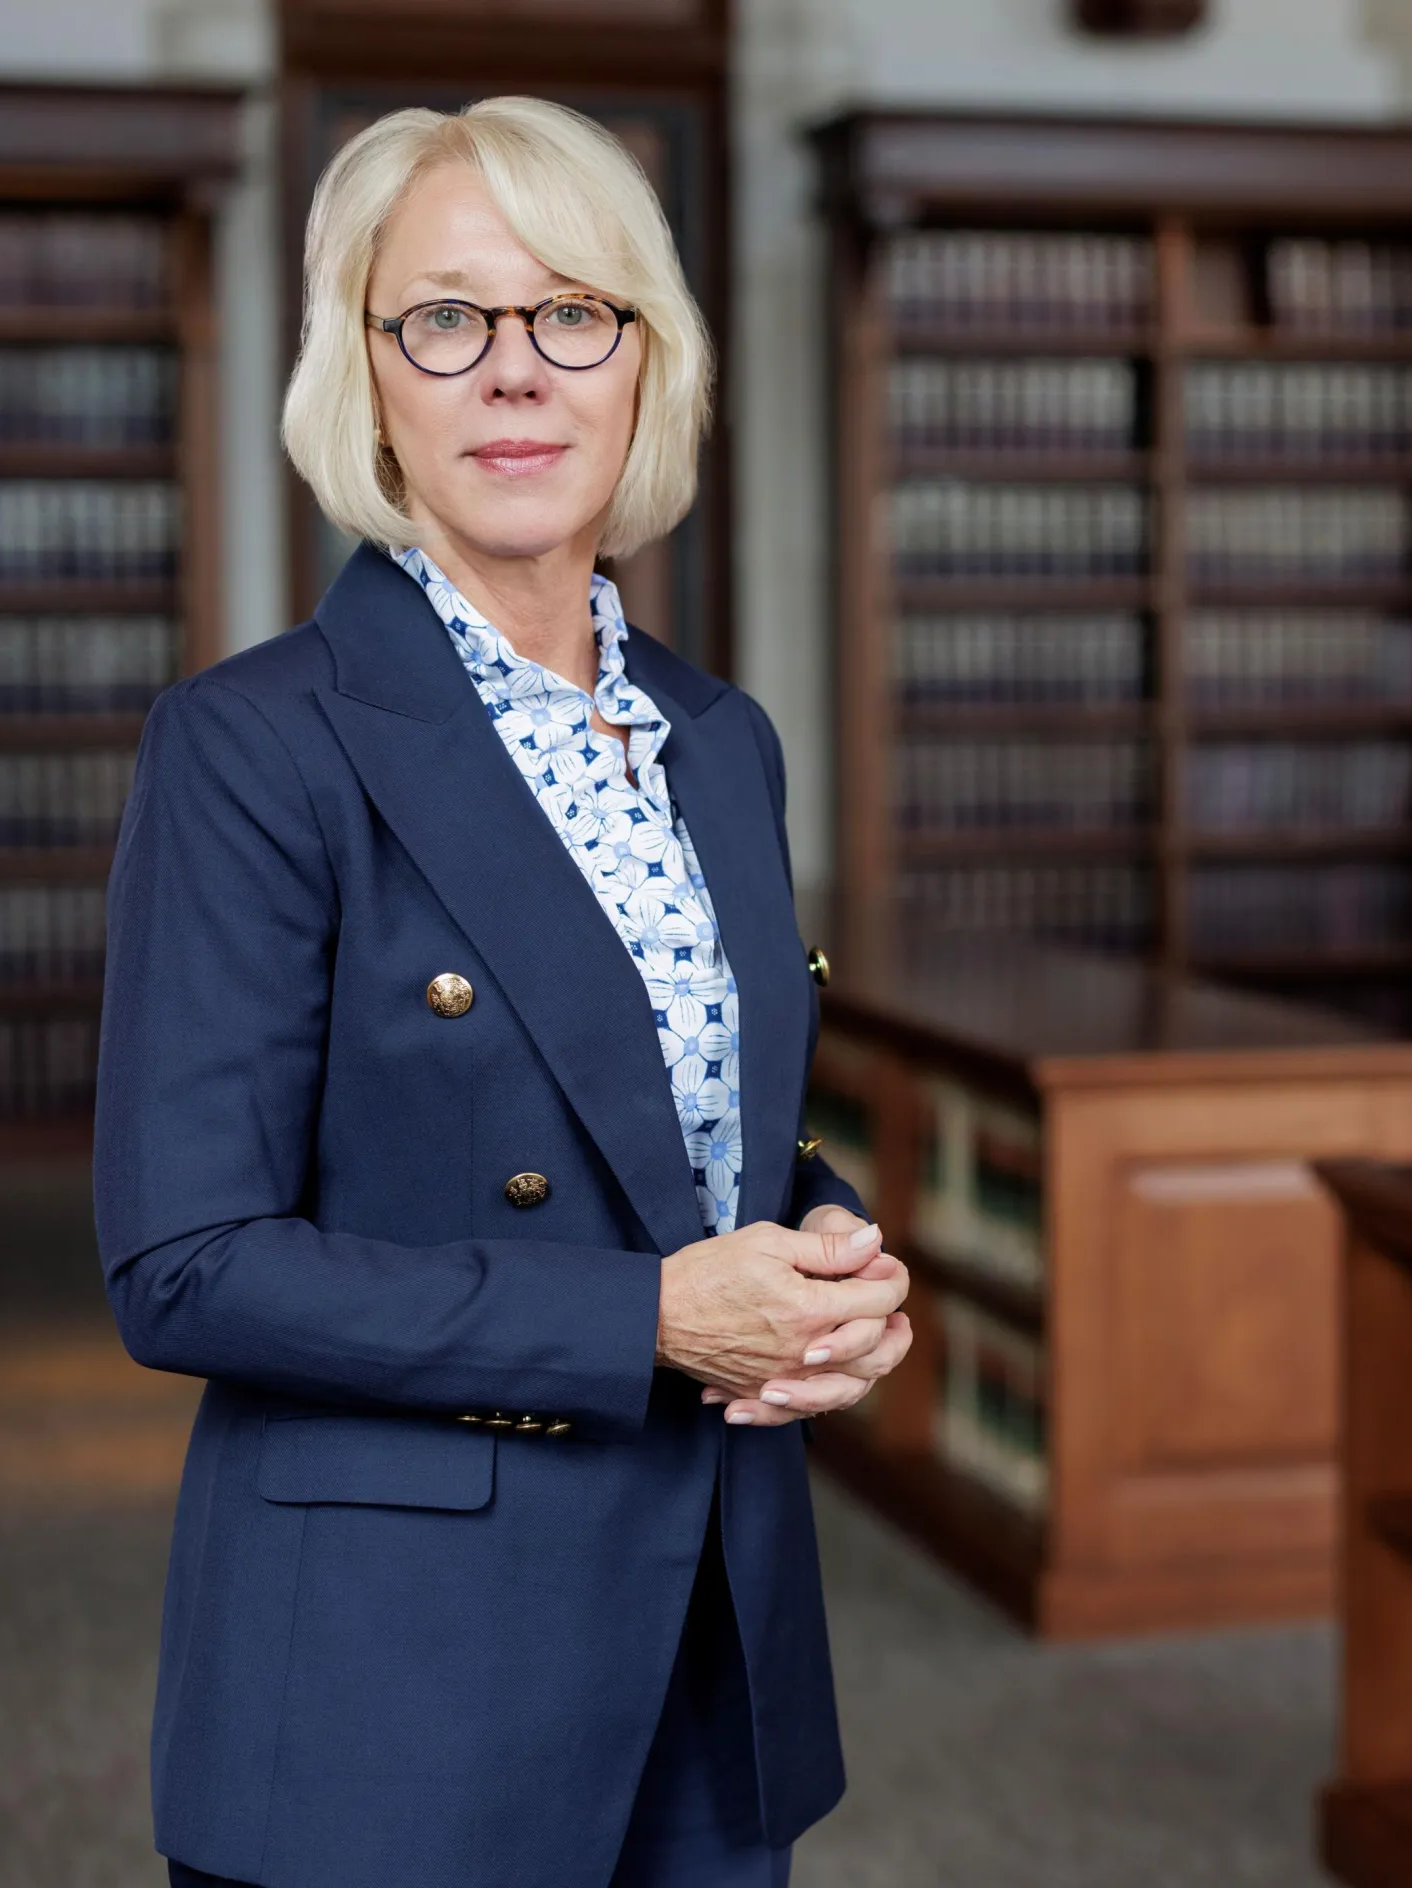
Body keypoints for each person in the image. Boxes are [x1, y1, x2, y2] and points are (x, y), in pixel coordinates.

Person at [93, 94, 912, 1888]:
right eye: (447, 319)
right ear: (365, 376)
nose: (515, 371)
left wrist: (824, 1253)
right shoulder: (252, 747)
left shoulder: (719, 740)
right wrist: (650, 1324)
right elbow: (184, 1263)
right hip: (402, 1684)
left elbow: (685, 1146)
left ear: (645, 366)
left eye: (574, 312)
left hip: (706, 1646)